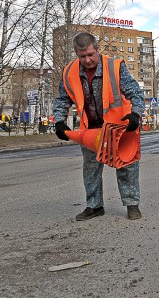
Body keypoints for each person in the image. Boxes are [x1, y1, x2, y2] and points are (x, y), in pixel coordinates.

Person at [53, 32, 145, 221]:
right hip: (91, 128)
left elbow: (135, 92)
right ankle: (94, 206)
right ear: (76, 54)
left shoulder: (114, 67)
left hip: (119, 126)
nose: (87, 60)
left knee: (126, 165)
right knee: (91, 168)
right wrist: (59, 121)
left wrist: (136, 114)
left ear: (97, 49)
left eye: (90, 55)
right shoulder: (69, 72)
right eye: (82, 56)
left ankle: (132, 204)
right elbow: (62, 99)